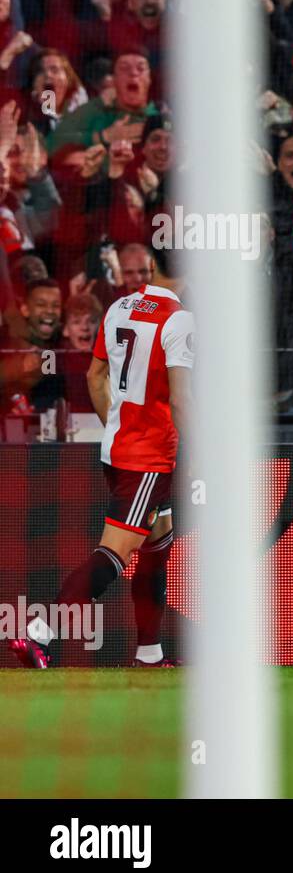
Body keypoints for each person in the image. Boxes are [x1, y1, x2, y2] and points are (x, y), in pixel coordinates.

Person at [8, 250, 191, 668]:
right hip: (148, 455)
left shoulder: (120, 307)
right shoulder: (179, 320)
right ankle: (39, 633)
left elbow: (95, 375)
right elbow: (182, 399)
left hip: (119, 448)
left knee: (157, 543)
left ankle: (149, 653)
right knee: (113, 554)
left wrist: (115, 425)